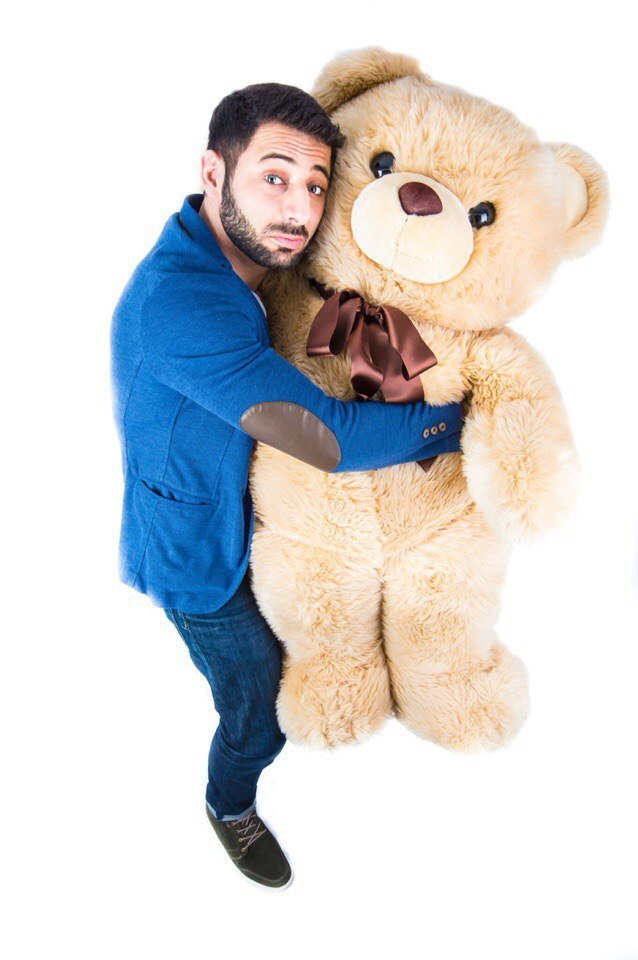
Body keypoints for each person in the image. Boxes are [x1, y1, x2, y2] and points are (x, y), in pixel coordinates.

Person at [110, 82, 464, 889]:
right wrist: (457, 420)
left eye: (314, 184)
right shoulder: (181, 304)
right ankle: (228, 802)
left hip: (258, 509)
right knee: (258, 703)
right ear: (213, 171)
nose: (299, 209)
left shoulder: (237, 254)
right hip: (197, 551)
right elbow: (321, 438)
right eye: (274, 177)